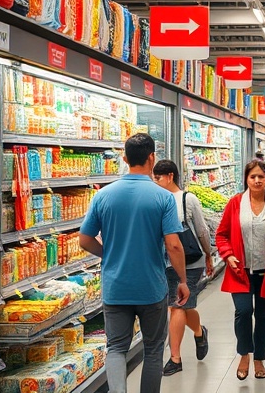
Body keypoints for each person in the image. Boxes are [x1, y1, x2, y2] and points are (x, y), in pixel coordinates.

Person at [79, 133, 189, 393]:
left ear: (125, 159)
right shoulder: (163, 197)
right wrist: (183, 280)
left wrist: (109, 255)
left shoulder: (103, 195)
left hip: (116, 286)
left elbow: (84, 240)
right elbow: (173, 245)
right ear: (152, 158)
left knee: (116, 347)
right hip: (151, 287)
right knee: (152, 349)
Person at [216, 161, 265, 381]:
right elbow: (222, 235)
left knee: (263, 316)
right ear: (246, 179)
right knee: (242, 313)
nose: (257, 181)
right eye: (253, 177)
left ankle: (259, 358)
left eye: (261, 177)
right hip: (240, 270)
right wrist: (228, 254)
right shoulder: (235, 204)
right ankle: (243, 354)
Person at [152, 159, 213, 376]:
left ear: (170, 176)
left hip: (189, 261)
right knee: (184, 307)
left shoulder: (188, 199)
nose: (154, 181)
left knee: (176, 306)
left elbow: (202, 230)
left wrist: (208, 254)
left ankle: (175, 358)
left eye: (157, 177)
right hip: (165, 261)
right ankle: (199, 331)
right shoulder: (156, 199)